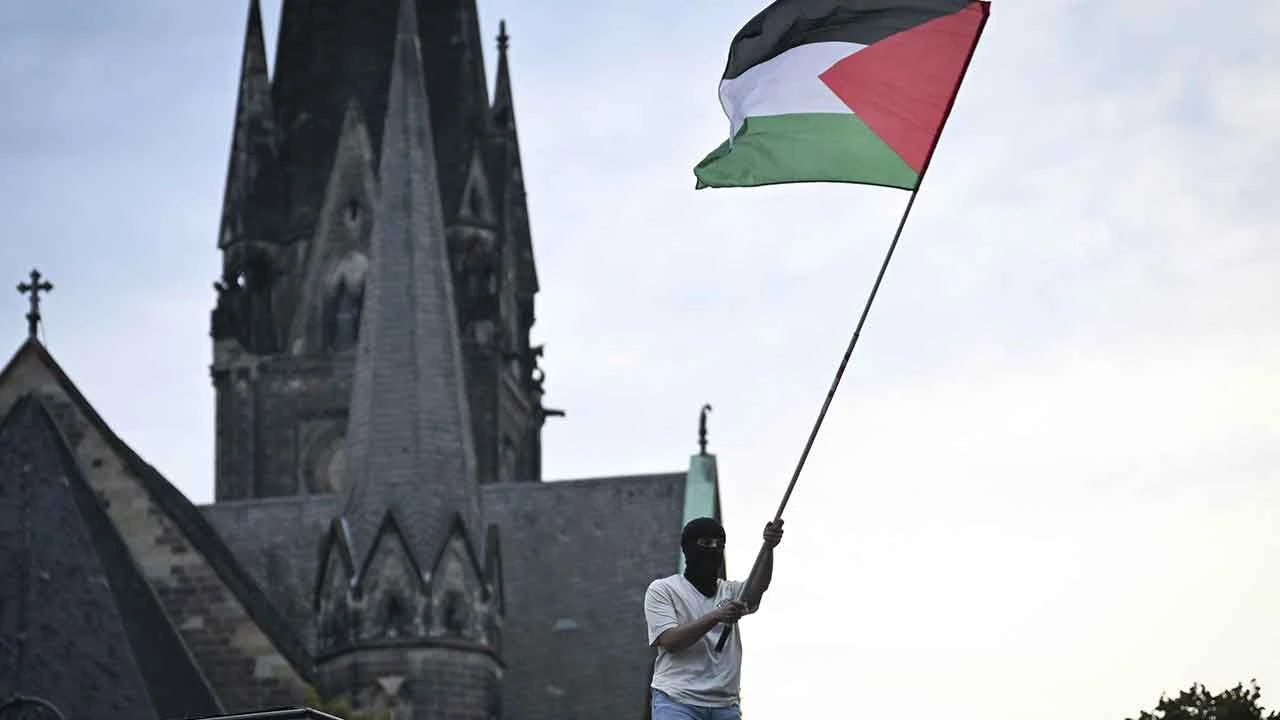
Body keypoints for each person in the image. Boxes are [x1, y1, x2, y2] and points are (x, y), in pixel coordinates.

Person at [644, 516, 784, 719]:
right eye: (706, 543)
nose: (714, 549)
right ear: (688, 548)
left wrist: (768, 548)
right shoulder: (663, 590)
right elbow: (670, 641)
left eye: (720, 544)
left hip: (725, 705)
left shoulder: (731, 591)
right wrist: (717, 616)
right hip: (677, 701)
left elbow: (758, 587)